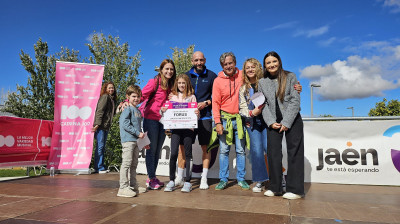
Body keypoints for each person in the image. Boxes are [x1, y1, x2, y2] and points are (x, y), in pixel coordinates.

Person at [239, 58, 303, 193]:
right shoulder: (244, 88)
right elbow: (242, 107)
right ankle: (261, 180)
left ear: (258, 68)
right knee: (256, 152)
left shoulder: (266, 80)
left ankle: (280, 179)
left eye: (252, 67)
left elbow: (283, 95)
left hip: (268, 122)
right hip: (254, 123)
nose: (250, 70)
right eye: (247, 68)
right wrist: (251, 113)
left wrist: (296, 88)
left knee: (271, 151)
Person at [259, 51, 304, 200]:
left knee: (294, 153)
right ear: (265, 66)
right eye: (268, 63)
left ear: (279, 62)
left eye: (274, 61)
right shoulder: (262, 82)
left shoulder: (290, 77)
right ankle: (275, 187)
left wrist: (287, 122)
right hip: (273, 122)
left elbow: (295, 101)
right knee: (273, 154)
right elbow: (262, 104)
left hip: (292, 119)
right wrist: (271, 122)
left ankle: (296, 190)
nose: (271, 65)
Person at [175, 51, 217, 190]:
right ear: (192, 61)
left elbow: (216, 97)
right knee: (182, 149)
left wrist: (206, 103)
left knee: (205, 147)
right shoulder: (186, 75)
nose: (199, 63)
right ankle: (179, 177)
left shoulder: (211, 76)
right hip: (187, 119)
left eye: (201, 60)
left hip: (205, 117)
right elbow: (177, 92)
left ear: (205, 60)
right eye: (196, 60)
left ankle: (203, 179)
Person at [212, 52, 249, 190]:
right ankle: (223, 179)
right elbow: (215, 103)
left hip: (239, 119)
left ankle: (241, 179)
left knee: (240, 151)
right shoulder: (217, 81)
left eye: (230, 63)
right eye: (225, 64)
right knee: (224, 151)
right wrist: (218, 122)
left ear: (235, 63)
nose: (228, 66)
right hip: (224, 119)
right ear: (222, 66)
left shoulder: (242, 75)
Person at [139, 59, 176, 190]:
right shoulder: (154, 82)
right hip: (151, 119)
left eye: (171, 69)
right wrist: (127, 101)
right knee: (152, 149)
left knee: (158, 150)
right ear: (161, 70)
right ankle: (150, 178)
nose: (169, 71)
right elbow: (142, 95)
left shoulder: (172, 85)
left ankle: (152, 177)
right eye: (167, 69)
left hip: (163, 121)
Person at [162, 74, 199, 193]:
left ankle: (187, 182)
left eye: (183, 83)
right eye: (179, 83)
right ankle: (172, 180)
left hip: (188, 129)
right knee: (173, 154)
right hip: (176, 130)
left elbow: (196, 115)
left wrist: (197, 114)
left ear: (187, 84)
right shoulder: (172, 97)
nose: (181, 85)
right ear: (176, 84)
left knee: (188, 155)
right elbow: (166, 112)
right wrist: (162, 110)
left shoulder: (192, 97)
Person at [118, 85, 148, 197]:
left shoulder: (138, 111)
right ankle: (123, 187)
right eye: (133, 96)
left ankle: (133, 185)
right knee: (126, 163)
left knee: (134, 164)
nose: (136, 99)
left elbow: (139, 128)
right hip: (128, 141)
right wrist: (137, 133)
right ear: (128, 97)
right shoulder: (127, 109)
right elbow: (124, 124)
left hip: (136, 141)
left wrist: (143, 141)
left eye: (138, 96)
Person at [92, 81, 117, 174]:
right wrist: (97, 124)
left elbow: (111, 114)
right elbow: (100, 111)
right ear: (105, 89)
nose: (111, 89)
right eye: (109, 88)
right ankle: (98, 167)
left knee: (102, 147)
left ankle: (100, 165)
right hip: (101, 126)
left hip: (106, 126)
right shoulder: (105, 97)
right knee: (100, 146)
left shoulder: (111, 99)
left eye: (112, 88)